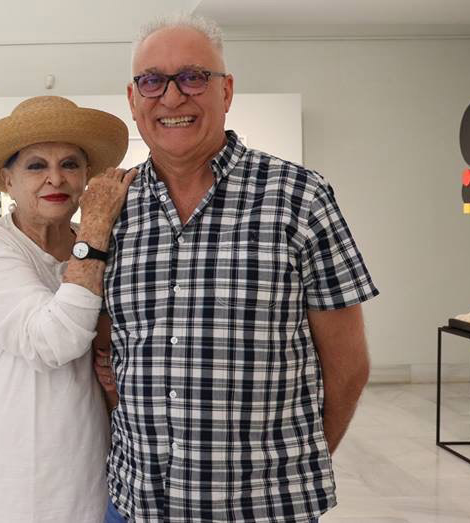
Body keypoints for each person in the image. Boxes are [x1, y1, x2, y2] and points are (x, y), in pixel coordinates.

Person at [96, 14, 380, 523]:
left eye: (193, 77)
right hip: (138, 504)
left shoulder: (299, 198)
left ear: (225, 91)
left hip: (263, 509)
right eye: (152, 81)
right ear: (133, 99)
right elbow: (105, 354)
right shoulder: (110, 209)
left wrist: (292, 470)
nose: (172, 97)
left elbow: (348, 367)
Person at [0, 95, 135, 522]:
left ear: (86, 176)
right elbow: (54, 340)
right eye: (36, 166)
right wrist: (96, 227)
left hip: (83, 467)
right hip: (1, 474)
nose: (56, 178)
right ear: (7, 180)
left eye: (70, 164)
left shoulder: (98, 245)